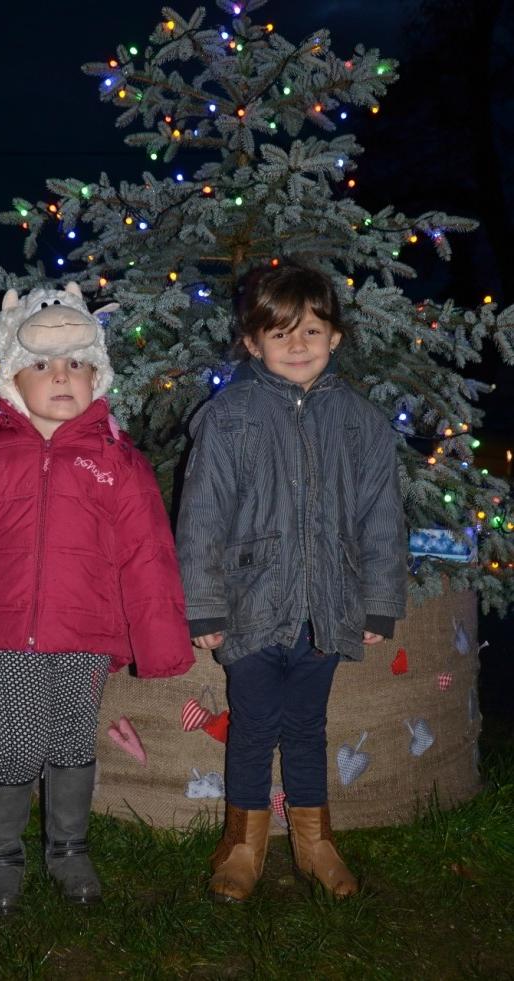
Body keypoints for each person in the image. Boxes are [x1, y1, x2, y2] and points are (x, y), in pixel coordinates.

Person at [0, 283, 194, 917]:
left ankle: (68, 849)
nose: (61, 376)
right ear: (11, 378)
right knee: (16, 741)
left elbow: (148, 554)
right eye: (43, 365)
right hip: (10, 628)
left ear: (97, 375)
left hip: (88, 628)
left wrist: (161, 641)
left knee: (73, 739)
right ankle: (1, 857)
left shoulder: (117, 458)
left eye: (76, 363)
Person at [176, 262, 407, 902]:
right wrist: (203, 607)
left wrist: (379, 602)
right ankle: (242, 847)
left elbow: (382, 516)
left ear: (335, 337)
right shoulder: (228, 417)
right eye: (281, 333)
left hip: (327, 607)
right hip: (249, 606)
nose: (298, 344)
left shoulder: (362, 422)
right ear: (253, 344)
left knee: (307, 726)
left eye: (311, 330)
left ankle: (315, 843)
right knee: (253, 726)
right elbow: (201, 517)